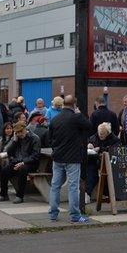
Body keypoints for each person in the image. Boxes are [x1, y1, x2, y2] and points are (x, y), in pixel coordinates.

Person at [48, 95, 91, 223]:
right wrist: (79, 114)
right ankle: (75, 216)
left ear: (63, 104)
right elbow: (89, 126)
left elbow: (49, 139)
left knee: (55, 186)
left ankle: (53, 214)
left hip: (58, 157)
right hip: (73, 158)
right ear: (74, 105)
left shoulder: (55, 119)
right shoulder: (76, 117)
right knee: (73, 187)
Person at [0, 122, 41, 204]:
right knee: (4, 171)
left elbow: (35, 156)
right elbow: (9, 152)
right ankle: (4, 195)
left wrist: (23, 162)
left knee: (22, 170)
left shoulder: (34, 138)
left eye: (21, 131)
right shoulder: (17, 139)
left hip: (31, 163)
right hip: (18, 161)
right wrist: (14, 141)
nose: (19, 134)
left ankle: (19, 196)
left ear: (25, 129)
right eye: (17, 132)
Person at [85, 122, 120, 202]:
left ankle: (109, 194)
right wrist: (89, 145)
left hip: (109, 163)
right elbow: (89, 141)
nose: (100, 135)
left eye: (102, 134)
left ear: (108, 133)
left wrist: (100, 149)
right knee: (91, 172)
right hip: (95, 162)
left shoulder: (114, 139)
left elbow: (114, 150)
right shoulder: (94, 137)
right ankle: (87, 193)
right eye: (99, 133)